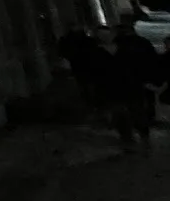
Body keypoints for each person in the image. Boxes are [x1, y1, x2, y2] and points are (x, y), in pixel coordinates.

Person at [106, 17, 161, 149]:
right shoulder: (142, 42)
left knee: (126, 110)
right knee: (138, 109)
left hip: (122, 84)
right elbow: (153, 61)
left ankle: (130, 137)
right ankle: (143, 135)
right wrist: (152, 79)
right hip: (138, 83)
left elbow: (111, 66)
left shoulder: (116, 46)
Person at [57, 25, 108, 110]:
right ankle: (95, 102)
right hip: (89, 65)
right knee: (92, 83)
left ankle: (89, 102)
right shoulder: (88, 41)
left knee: (84, 84)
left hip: (78, 65)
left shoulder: (69, 41)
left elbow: (64, 52)